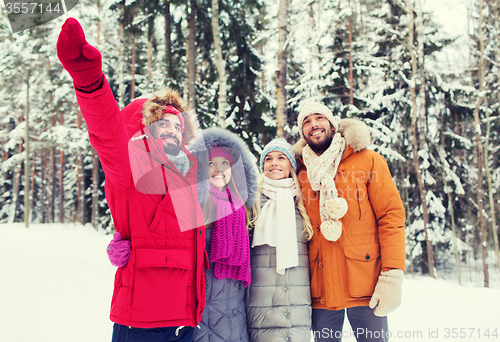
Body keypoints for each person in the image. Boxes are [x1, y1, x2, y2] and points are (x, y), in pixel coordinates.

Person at [57, 18, 206, 342]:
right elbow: (107, 133)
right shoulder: (131, 168)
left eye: (178, 127)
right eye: (163, 123)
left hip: (185, 321)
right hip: (142, 321)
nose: (172, 130)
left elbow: (195, 245)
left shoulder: (188, 180)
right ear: (145, 130)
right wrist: (89, 79)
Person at [293, 102, 406, 342]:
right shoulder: (299, 171)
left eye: (319, 118)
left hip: (366, 283)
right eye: (306, 121)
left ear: (332, 125)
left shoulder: (368, 160)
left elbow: (391, 216)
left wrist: (392, 275)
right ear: (302, 132)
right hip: (320, 286)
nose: (314, 125)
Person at [245, 139, 313, 342]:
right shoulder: (252, 202)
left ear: (291, 165)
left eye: (281, 158)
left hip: (298, 303)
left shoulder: (303, 201)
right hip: (262, 303)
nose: (274, 162)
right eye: (268, 159)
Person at [194, 127, 258, 342]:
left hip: (235, 318)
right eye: (211, 163)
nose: (218, 169)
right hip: (203, 317)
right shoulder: (194, 207)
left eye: (225, 163)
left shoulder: (243, 209)